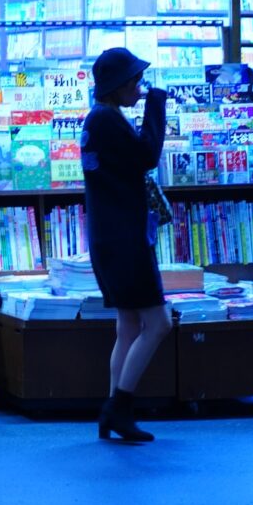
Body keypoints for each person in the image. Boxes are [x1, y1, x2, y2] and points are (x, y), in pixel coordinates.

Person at [80, 48, 171, 442]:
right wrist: (157, 103)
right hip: (125, 239)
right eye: (134, 81)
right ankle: (120, 405)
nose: (139, 86)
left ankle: (111, 410)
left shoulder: (99, 119)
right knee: (159, 322)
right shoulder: (106, 121)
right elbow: (147, 155)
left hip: (109, 237)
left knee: (129, 324)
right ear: (116, 86)